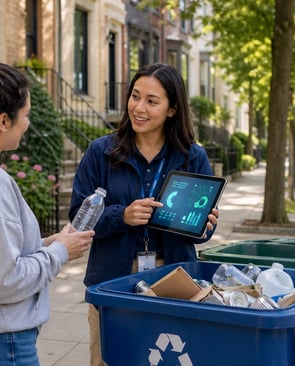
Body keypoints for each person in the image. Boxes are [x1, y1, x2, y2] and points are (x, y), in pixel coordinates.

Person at [69, 63, 220, 366]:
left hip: (174, 275)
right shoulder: (101, 152)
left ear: (172, 109)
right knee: (108, 359)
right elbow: (77, 218)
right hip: (113, 276)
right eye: (135, 96)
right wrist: (120, 216)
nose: (139, 107)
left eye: (152, 101)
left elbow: (204, 229)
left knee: (168, 358)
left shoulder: (193, 156)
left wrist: (204, 226)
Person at [0, 62, 94, 366]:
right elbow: (7, 281)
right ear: (4, 120)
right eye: (26, 115)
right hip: (9, 339)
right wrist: (59, 253)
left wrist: (44, 244)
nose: (28, 123)